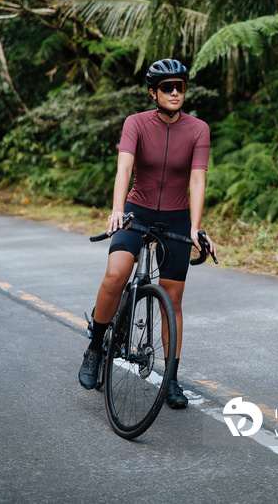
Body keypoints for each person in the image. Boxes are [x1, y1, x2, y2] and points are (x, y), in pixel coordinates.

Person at [79, 58, 216, 409]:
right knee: (116, 273)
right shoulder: (135, 123)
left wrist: (196, 227)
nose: (175, 93)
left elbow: (197, 179)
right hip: (137, 210)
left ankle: (169, 379)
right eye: (167, 87)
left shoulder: (198, 128)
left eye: (180, 87)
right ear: (153, 92)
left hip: (176, 218)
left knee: (172, 299)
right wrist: (116, 209)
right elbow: (124, 167)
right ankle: (95, 348)